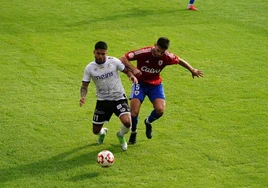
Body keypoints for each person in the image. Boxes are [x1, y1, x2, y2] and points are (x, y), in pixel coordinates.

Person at [120, 37, 204, 145]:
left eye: (162, 52)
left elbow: (179, 60)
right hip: (139, 84)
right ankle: (134, 132)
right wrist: (133, 68)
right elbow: (123, 58)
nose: (159, 54)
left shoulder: (167, 57)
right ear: (154, 45)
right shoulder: (144, 52)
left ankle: (148, 122)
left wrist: (192, 69)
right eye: (158, 50)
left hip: (155, 85)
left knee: (160, 110)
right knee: (134, 112)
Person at [79, 41, 138, 151]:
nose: (100, 56)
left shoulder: (114, 61)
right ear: (94, 52)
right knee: (95, 131)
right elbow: (84, 86)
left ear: (106, 53)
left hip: (118, 98)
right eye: (98, 53)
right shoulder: (90, 68)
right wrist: (83, 96)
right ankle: (103, 132)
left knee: (127, 122)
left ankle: (120, 135)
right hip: (102, 101)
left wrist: (131, 76)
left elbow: (126, 70)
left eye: (103, 54)